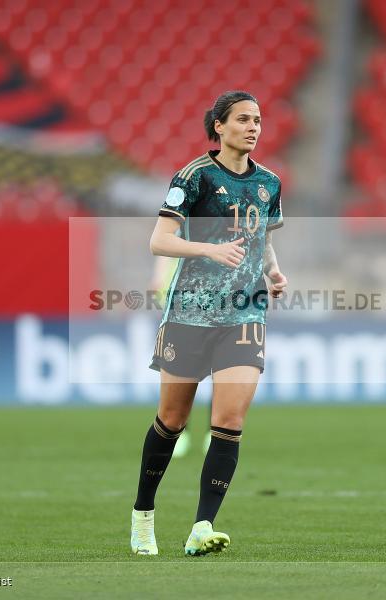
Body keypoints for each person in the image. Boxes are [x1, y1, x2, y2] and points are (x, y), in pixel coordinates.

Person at [130, 90, 287, 556]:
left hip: (245, 313)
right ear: (219, 126)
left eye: (258, 120)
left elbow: (261, 237)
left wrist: (273, 271)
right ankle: (143, 515)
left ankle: (202, 525)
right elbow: (160, 241)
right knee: (172, 419)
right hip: (191, 314)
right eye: (243, 119)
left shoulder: (269, 182)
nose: (253, 127)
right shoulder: (194, 176)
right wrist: (209, 249)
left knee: (229, 420)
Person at [150, 255, 212, 459]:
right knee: (183, 371)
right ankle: (179, 433)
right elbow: (166, 245)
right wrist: (158, 278)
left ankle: (214, 433)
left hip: (215, 296)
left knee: (219, 370)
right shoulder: (181, 224)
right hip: (180, 298)